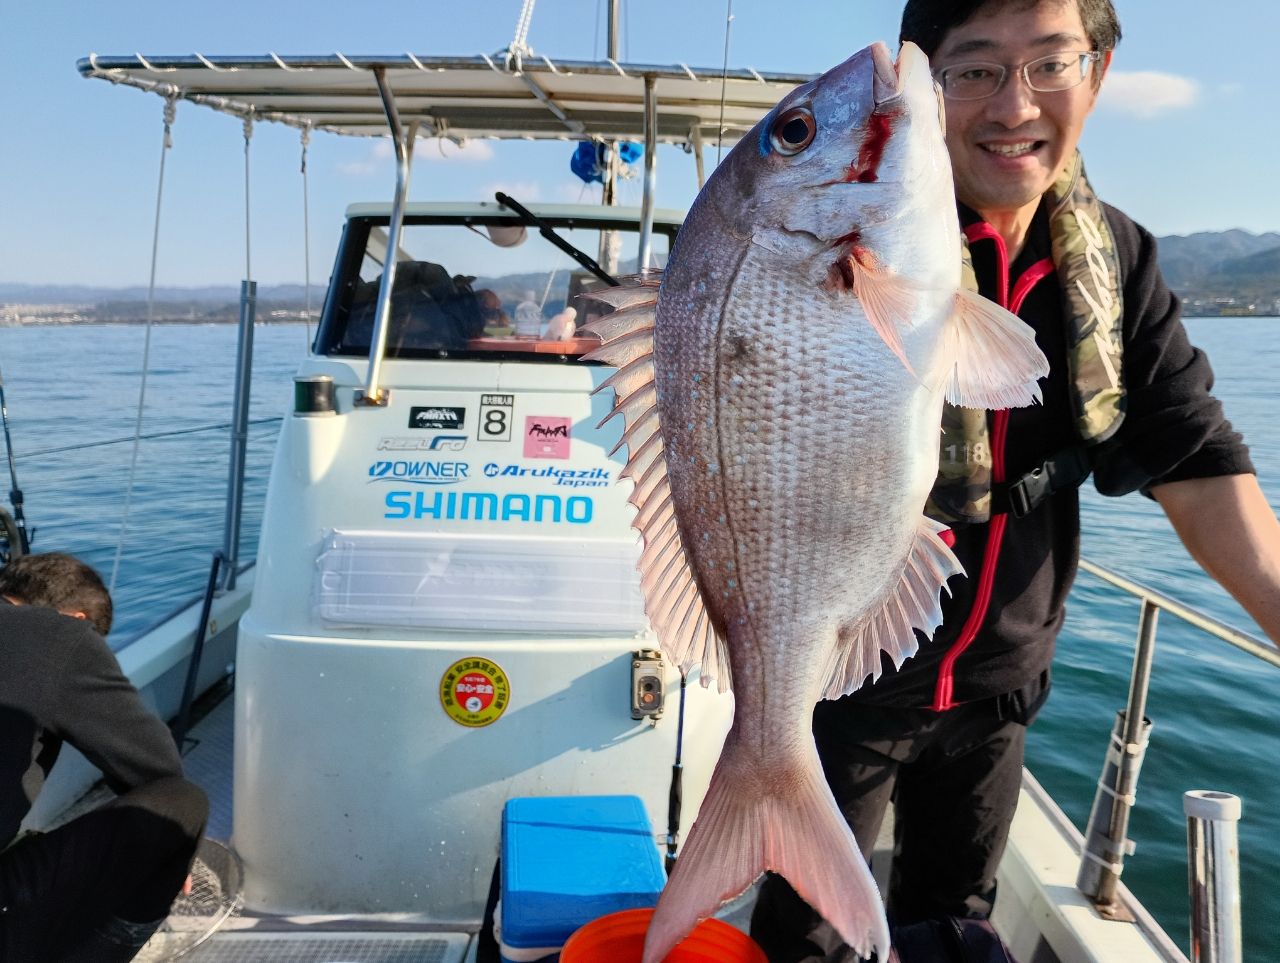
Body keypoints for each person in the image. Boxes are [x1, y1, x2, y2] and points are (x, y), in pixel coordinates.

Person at [751, 1, 1280, 959]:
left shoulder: (1117, 259)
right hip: (849, 672)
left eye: (1049, 64)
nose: (1014, 106)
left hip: (1001, 686)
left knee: (957, 922)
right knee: (807, 936)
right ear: (922, 85)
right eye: (975, 70)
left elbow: (1196, 457)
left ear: (1098, 75)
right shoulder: (854, 239)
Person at [0, 552, 208, 962]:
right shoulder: (58, 635)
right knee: (182, 806)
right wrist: (174, 854)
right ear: (77, 619)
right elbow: (155, 767)